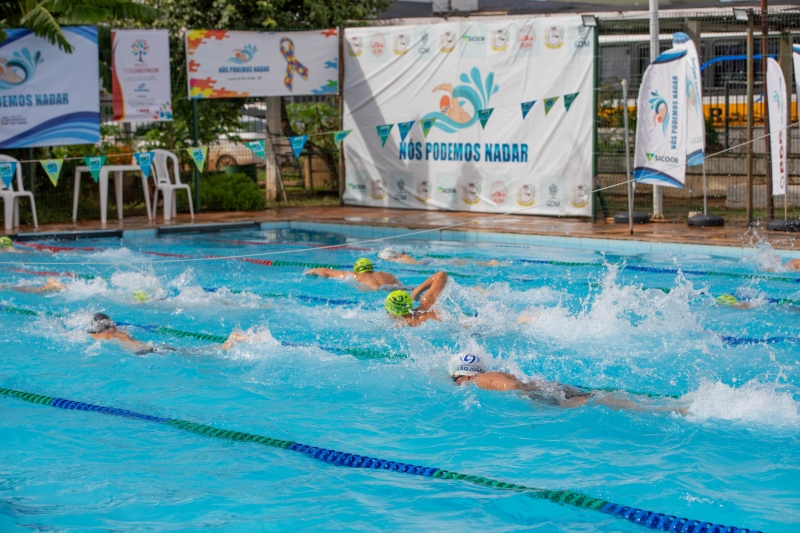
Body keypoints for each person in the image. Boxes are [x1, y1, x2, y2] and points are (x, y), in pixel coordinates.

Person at [448, 353, 687, 413]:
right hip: (547, 385)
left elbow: (512, 387)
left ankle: (665, 409)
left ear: (464, 375)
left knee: (599, 402)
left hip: (540, 393)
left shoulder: (479, 380)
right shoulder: (491, 373)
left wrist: (531, 403)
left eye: (455, 379)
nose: (455, 383)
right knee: (597, 397)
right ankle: (668, 405)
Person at [86, 313, 245, 354]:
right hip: (149, 349)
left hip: (149, 351)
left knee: (192, 354)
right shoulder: (117, 334)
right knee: (190, 352)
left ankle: (226, 344)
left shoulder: (95, 336)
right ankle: (225, 344)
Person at [306, 258, 401, 290]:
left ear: (356, 269)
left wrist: (312, 271)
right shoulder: (387, 275)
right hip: (389, 289)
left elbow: (326, 272)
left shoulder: (355, 275)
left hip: (370, 291)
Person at [379, 247, 504, 267]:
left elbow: (415, 264)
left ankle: (489, 264)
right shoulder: (402, 258)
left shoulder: (404, 258)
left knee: (461, 263)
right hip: (430, 262)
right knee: (460, 262)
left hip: (430, 263)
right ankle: (489, 263)